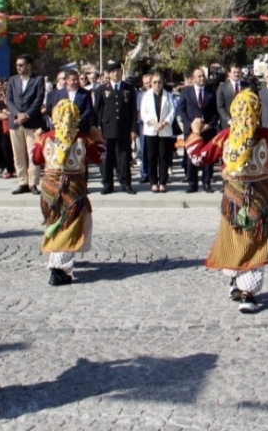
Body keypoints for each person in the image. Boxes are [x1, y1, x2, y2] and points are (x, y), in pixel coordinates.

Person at [185, 90, 268, 313]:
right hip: (259, 202)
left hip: (232, 202)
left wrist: (195, 134)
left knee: (236, 239)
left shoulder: (225, 136)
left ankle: (237, 281)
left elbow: (198, 158)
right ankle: (247, 292)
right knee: (256, 243)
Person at [32, 99, 106, 286]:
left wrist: (35, 140)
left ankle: (59, 260)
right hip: (73, 190)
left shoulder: (46, 137)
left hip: (50, 189)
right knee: (69, 226)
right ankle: (59, 269)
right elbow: (100, 156)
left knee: (56, 223)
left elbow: (35, 158)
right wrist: (99, 138)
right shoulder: (84, 138)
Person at [94, 61, 139, 195]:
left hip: (124, 128)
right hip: (107, 129)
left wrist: (134, 129)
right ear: (108, 74)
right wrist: (97, 129)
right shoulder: (102, 89)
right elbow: (97, 110)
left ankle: (126, 184)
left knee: (124, 158)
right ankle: (108, 184)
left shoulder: (129, 88)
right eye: (113, 71)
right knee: (107, 159)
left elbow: (132, 111)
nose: (116, 73)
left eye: (118, 71)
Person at [5, 54, 46, 195]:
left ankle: (33, 183)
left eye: (21, 65)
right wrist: (17, 114)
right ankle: (22, 182)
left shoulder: (38, 80)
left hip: (32, 122)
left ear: (29, 66)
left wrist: (27, 115)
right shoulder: (12, 80)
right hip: (15, 122)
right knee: (18, 154)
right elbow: (8, 99)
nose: (18, 68)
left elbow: (38, 99)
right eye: (17, 65)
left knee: (32, 154)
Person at [178, 67, 219, 193]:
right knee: (192, 157)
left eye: (203, 76)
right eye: (199, 76)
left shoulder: (211, 92)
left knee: (207, 157)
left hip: (207, 130)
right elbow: (181, 110)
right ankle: (192, 183)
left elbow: (215, 112)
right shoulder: (186, 92)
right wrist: (191, 125)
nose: (202, 78)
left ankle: (206, 183)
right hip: (191, 131)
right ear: (193, 78)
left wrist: (209, 125)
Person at [140, 73, 176, 193]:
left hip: (164, 130)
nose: (157, 84)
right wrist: (154, 123)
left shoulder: (168, 95)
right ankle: (153, 182)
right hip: (151, 130)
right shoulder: (146, 96)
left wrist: (163, 123)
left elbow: (172, 112)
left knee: (164, 157)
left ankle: (163, 182)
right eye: (154, 82)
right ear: (151, 83)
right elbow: (143, 112)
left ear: (163, 83)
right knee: (151, 157)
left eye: (159, 82)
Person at [216, 65, 249, 129]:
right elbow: (220, 107)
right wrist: (229, 120)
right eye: (234, 72)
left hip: (244, 125)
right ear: (229, 73)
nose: (237, 74)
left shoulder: (247, 86)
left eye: (238, 72)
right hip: (228, 124)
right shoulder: (222, 87)